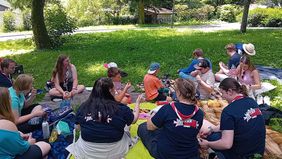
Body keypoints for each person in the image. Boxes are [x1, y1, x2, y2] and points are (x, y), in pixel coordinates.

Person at [66, 77, 143, 159]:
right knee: (127, 127)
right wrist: (137, 103)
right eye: (114, 89)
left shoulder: (83, 107)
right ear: (110, 91)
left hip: (87, 151)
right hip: (114, 150)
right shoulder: (121, 108)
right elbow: (134, 120)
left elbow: (78, 127)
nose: (116, 91)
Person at [199, 78, 265, 159]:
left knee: (213, 136)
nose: (222, 97)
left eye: (222, 93)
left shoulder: (228, 111)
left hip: (241, 155)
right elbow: (235, 124)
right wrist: (212, 129)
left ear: (230, 91)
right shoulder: (252, 101)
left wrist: (208, 144)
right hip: (258, 152)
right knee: (213, 132)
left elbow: (226, 144)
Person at [138, 78, 204, 159]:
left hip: (166, 154)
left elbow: (150, 127)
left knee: (143, 127)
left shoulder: (168, 108)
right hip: (190, 154)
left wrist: (151, 116)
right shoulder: (200, 113)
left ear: (179, 93)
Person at [0, 87, 51, 159]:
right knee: (45, 145)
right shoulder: (6, 124)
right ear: (5, 103)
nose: (11, 99)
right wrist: (29, 143)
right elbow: (21, 149)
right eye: (9, 98)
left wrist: (18, 134)